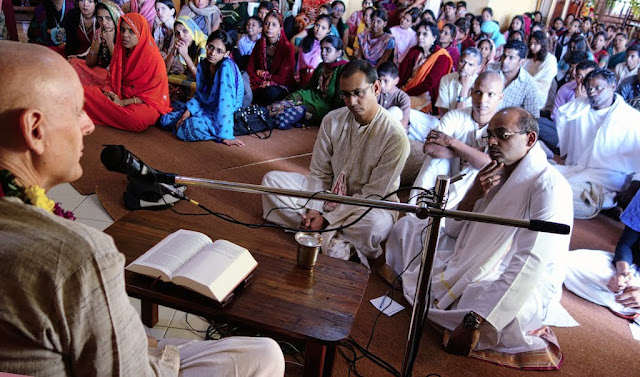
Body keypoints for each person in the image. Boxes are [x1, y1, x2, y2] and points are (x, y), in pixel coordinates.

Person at [0, 40, 285, 377]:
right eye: (77, 111)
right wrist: (159, 354)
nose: (89, 125)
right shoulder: (78, 257)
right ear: (35, 129)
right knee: (266, 355)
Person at [386, 107, 575, 369]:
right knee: (407, 228)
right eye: (490, 136)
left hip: (515, 277)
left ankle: (473, 316)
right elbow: (453, 230)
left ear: (530, 139)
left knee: (487, 303)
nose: (493, 143)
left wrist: (476, 319)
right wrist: (473, 195)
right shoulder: (496, 169)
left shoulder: (549, 186)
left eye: (502, 135)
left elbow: (530, 261)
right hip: (466, 258)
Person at [261, 60, 410, 267]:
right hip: (327, 195)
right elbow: (319, 173)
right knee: (272, 182)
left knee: (375, 226)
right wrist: (314, 209)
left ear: (376, 88)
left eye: (358, 93)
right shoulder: (332, 120)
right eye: (346, 94)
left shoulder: (395, 137)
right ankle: (334, 240)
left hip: (368, 206)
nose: (351, 102)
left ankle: (316, 230)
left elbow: (373, 194)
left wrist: (329, 218)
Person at [404, 70, 503, 205]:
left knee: (474, 168)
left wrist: (451, 142)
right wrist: (474, 152)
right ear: (471, 92)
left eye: (490, 94)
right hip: (449, 173)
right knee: (437, 160)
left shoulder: (502, 125)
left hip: (475, 188)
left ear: (500, 97)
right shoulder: (455, 115)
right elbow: (430, 148)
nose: (482, 100)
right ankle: (417, 209)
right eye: (478, 92)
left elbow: (487, 163)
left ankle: (444, 212)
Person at [554, 68, 640, 218]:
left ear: (613, 86)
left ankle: (604, 202)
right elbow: (563, 119)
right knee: (543, 174)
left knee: (558, 189)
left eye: (598, 88)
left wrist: (633, 186)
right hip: (578, 167)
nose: (592, 92)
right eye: (589, 88)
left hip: (609, 176)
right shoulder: (581, 106)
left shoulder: (631, 118)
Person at [83, 13, 171, 132]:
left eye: (131, 31)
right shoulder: (122, 50)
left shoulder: (153, 58)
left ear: (141, 32)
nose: (125, 35)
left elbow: (155, 96)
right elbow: (114, 78)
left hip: (144, 103)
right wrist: (109, 92)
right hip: (120, 94)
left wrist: (124, 102)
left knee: (137, 119)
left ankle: (98, 110)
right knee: (83, 92)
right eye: (123, 30)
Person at [564, 190, 640, 319]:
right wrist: (622, 275)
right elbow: (626, 244)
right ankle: (626, 302)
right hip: (634, 269)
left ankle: (628, 302)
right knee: (564, 262)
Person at [159, 30, 243, 144]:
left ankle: (218, 130)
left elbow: (226, 102)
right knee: (165, 120)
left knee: (189, 127)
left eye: (219, 51)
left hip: (223, 112)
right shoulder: (204, 64)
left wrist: (226, 135)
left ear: (226, 54)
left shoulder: (225, 67)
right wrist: (186, 114)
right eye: (211, 47)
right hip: (207, 106)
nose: (212, 53)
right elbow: (199, 96)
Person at [268, 35, 347, 128]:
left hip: (326, 106)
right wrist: (298, 96)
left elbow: (339, 100)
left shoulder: (343, 69)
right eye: (322, 49)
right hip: (314, 96)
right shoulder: (322, 66)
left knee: (285, 116)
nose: (323, 52)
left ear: (339, 53)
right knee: (278, 105)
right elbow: (310, 87)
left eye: (328, 50)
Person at [538, 59, 596, 154]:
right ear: (575, 76)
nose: (582, 81)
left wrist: (582, 101)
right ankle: (564, 146)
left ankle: (563, 148)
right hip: (563, 130)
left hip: (586, 134)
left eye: (587, 77)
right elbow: (555, 115)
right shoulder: (566, 89)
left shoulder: (598, 93)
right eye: (579, 76)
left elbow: (594, 120)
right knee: (537, 122)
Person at [398, 21, 453, 115]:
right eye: (418, 34)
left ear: (434, 37)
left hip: (426, 97)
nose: (420, 37)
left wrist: (405, 94)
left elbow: (429, 84)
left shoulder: (442, 58)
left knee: (399, 110)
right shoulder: (414, 51)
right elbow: (401, 73)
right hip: (406, 90)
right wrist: (397, 91)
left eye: (425, 34)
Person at [247, 10, 296, 106]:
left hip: (280, 84)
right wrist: (255, 77)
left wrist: (267, 79)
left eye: (274, 25)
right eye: (267, 24)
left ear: (280, 28)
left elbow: (283, 77)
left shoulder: (287, 48)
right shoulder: (259, 43)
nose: (269, 28)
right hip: (260, 80)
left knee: (269, 92)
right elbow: (250, 67)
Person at [68, 0, 123, 86]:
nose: (104, 23)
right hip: (99, 70)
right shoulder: (99, 31)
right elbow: (90, 63)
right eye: (100, 18)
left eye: (108, 18)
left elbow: (119, 66)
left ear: (115, 17)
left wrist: (109, 42)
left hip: (116, 75)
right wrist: (97, 41)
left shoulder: (123, 35)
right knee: (73, 63)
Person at [499, 39, 540, 118]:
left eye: (511, 58)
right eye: (504, 56)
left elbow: (532, 118)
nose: (504, 61)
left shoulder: (529, 84)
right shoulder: (491, 70)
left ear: (521, 61)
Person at [435, 46, 481, 116]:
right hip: (446, 121)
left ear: (478, 68)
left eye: (470, 65)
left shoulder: (480, 84)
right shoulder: (446, 79)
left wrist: (464, 88)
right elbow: (443, 113)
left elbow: (460, 117)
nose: (464, 67)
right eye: (463, 62)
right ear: (458, 60)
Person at [294, 14, 331, 87]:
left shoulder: (328, 46)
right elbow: (299, 63)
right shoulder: (306, 41)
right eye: (317, 25)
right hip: (301, 78)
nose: (318, 30)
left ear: (328, 30)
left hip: (319, 82)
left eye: (323, 28)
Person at [524, 30, 558, 108]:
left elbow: (543, 80)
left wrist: (525, 83)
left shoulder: (550, 59)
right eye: (531, 43)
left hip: (539, 92)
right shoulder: (529, 57)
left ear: (542, 44)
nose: (532, 47)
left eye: (535, 44)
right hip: (524, 86)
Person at [377, 61, 411, 129]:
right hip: (377, 129)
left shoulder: (403, 97)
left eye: (386, 81)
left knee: (395, 110)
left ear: (396, 81)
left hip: (395, 132)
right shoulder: (376, 92)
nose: (382, 85)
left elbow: (404, 122)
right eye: (379, 80)